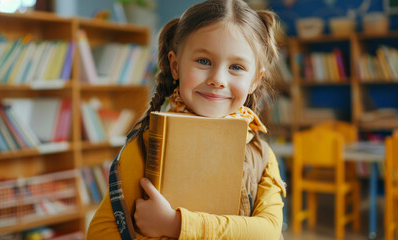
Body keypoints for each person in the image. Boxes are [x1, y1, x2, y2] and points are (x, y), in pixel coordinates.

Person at [87, 0, 286, 239]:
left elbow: (269, 234)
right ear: (175, 65)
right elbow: (99, 232)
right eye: (204, 61)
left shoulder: (261, 156)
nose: (218, 79)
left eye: (236, 66)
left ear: (255, 80)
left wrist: (176, 224)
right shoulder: (147, 145)